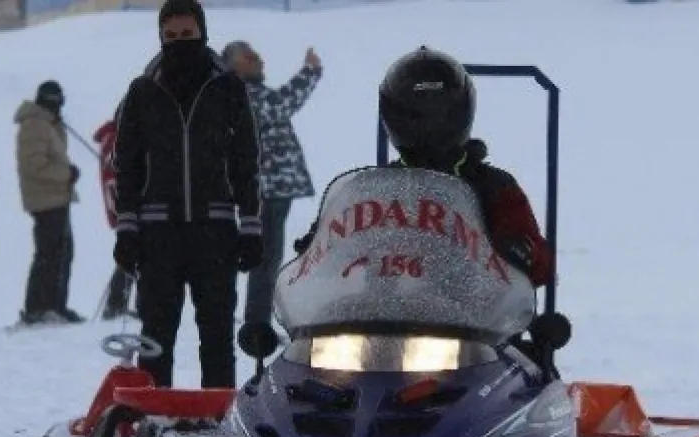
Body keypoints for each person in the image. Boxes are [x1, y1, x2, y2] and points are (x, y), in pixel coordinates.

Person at [294, 46, 551, 287]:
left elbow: (540, 261)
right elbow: (321, 252)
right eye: (416, 115)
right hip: (377, 315)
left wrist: (521, 251)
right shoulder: (370, 189)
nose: (428, 125)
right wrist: (318, 248)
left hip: (474, 321)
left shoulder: (493, 188)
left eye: (439, 113)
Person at [112, 0, 262, 388]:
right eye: (171, 36)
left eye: (188, 35)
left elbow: (245, 161)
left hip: (214, 231)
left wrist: (250, 226)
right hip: (158, 233)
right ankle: (150, 419)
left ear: (203, 33)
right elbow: (126, 165)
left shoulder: (227, 88)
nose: (180, 42)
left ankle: (218, 417)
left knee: (216, 334)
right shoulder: (143, 91)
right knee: (156, 335)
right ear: (161, 37)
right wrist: (127, 229)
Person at [221, 40, 322, 326]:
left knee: (267, 257)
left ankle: (258, 319)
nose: (261, 61)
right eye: (252, 56)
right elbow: (283, 103)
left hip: (274, 190)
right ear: (236, 64)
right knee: (265, 258)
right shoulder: (244, 95)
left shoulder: (247, 94)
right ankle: (256, 323)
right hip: (267, 191)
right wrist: (309, 72)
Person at [16, 79, 84, 325]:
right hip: (45, 198)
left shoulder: (49, 124)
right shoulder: (35, 125)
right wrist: (66, 174)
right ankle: (39, 307)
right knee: (50, 252)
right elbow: (34, 164)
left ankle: (55, 305)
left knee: (62, 251)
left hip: (55, 196)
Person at [93, 108, 136, 321]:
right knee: (133, 251)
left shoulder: (114, 138)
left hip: (124, 204)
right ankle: (116, 302)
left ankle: (119, 301)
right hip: (126, 204)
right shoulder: (116, 139)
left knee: (135, 251)